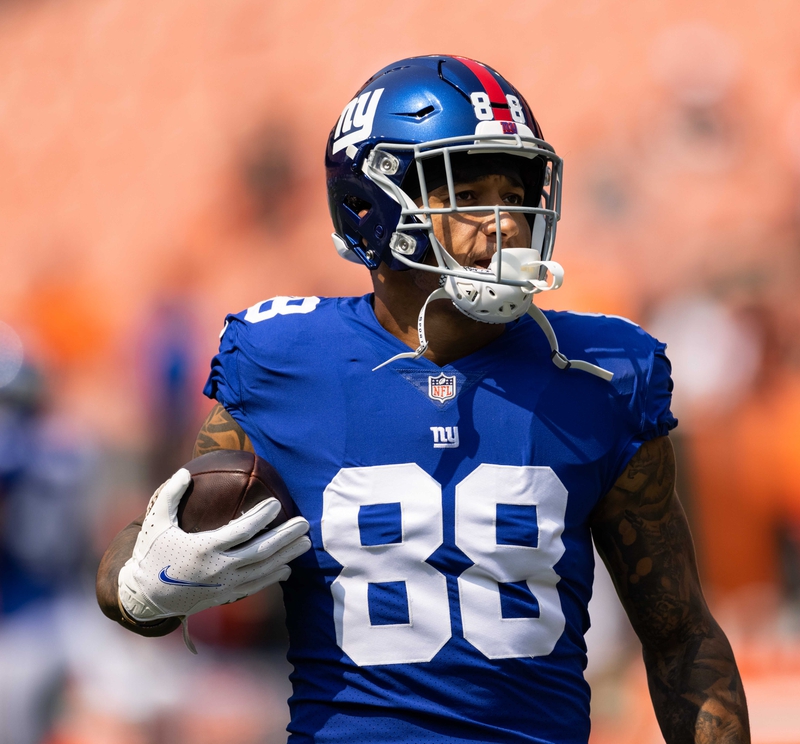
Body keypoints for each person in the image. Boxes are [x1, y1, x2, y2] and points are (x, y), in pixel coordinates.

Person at [96, 55, 749, 744]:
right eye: (468, 194)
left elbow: (679, 635)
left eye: (514, 190)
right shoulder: (287, 362)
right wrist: (147, 586)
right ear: (371, 204)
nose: (504, 224)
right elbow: (140, 561)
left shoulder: (601, 374)